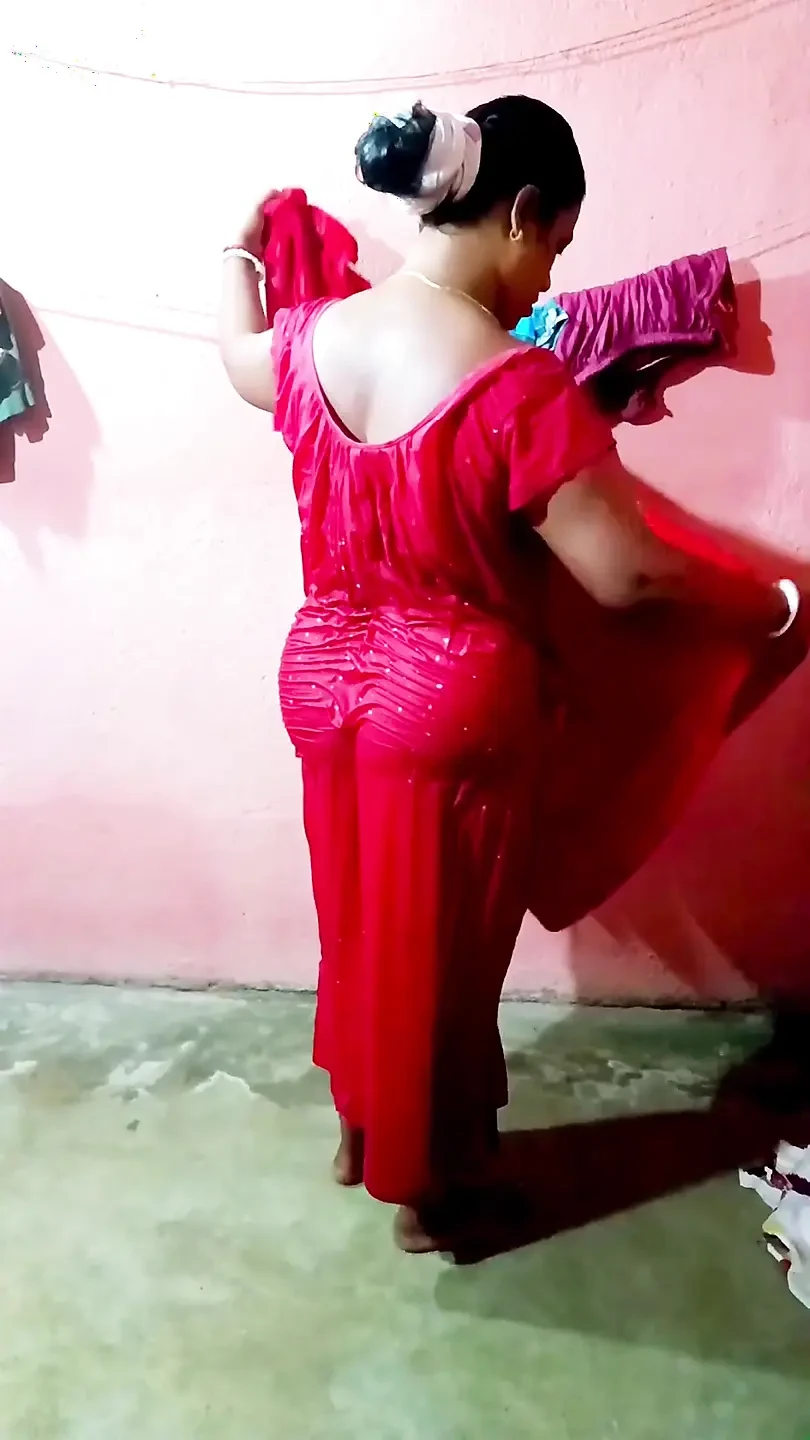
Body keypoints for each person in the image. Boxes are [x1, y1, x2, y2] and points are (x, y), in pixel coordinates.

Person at [219, 95, 799, 1252]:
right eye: (557, 247)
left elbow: (236, 356)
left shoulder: (312, 340)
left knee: (361, 926)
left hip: (322, 682)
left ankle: (363, 1132)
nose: (546, 280)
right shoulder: (515, 386)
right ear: (523, 212)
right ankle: (434, 1190)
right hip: (447, 706)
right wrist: (762, 604)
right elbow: (626, 576)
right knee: (442, 959)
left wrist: (238, 253)